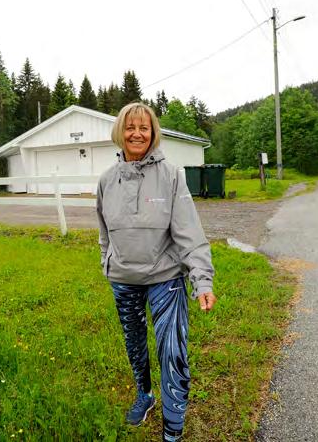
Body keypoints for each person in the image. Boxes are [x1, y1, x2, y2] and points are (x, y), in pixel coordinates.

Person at [96, 102, 216, 441]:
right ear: (120, 131)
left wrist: (202, 280)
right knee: (135, 346)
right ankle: (144, 395)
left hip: (166, 278)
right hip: (123, 280)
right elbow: (104, 234)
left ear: (153, 133)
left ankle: (172, 431)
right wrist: (109, 264)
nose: (137, 133)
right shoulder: (106, 180)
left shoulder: (171, 175)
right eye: (130, 127)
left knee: (173, 353)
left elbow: (189, 232)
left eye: (144, 128)